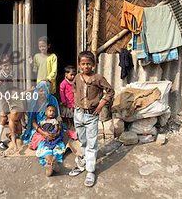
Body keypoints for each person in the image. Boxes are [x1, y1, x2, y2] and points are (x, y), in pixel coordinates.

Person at [69, 51, 115, 187]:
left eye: (88, 63)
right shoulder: (77, 77)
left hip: (91, 116)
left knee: (91, 143)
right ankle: (83, 161)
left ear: (93, 64)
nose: (86, 66)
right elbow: (75, 89)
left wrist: (100, 105)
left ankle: (90, 170)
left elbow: (110, 91)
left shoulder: (98, 78)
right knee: (82, 140)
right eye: (83, 64)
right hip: (78, 114)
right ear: (79, 65)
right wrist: (76, 105)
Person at [22, 82, 65, 177]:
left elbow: (58, 118)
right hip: (39, 128)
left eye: (44, 91)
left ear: (47, 91)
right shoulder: (34, 102)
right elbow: (32, 120)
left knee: (56, 142)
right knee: (42, 142)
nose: (41, 93)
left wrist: (56, 132)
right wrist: (42, 132)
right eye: (39, 91)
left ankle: (50, 163)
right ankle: (51, 161)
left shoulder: (52, 100)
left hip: (53, 126)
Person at [59, 65, 76, 139]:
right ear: (66, 74)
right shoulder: (64, 83)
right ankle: (69, 125)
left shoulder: (74, 82)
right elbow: (61, 92)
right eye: (71, 75)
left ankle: (73, 125)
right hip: (67, 102)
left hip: (73, 101)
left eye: (74, 75)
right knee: (68, 115)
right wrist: (64, 101)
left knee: (73, 114)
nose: (73, 76)